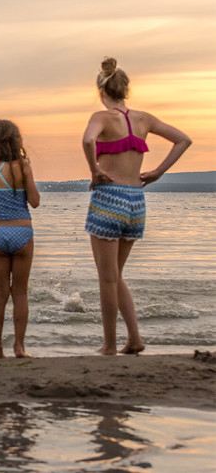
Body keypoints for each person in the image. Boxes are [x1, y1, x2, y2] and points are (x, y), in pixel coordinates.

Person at [82, 57, 192, 355]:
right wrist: (158, 172)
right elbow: (183, 140)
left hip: (108, 199)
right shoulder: (144, 119)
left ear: (101, 91)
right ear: (125, 90)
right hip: (136, 202)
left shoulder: (101, 118)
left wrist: (94, 170)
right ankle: (134, 339)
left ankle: (109, 345)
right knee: (116, 276)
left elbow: (88, 140)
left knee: (106, 278)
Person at [0, 120, 40, 359]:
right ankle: (19, 347)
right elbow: (34, 202)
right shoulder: (22, 165)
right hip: (22, 233)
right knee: (21, 293)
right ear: (15, 140)